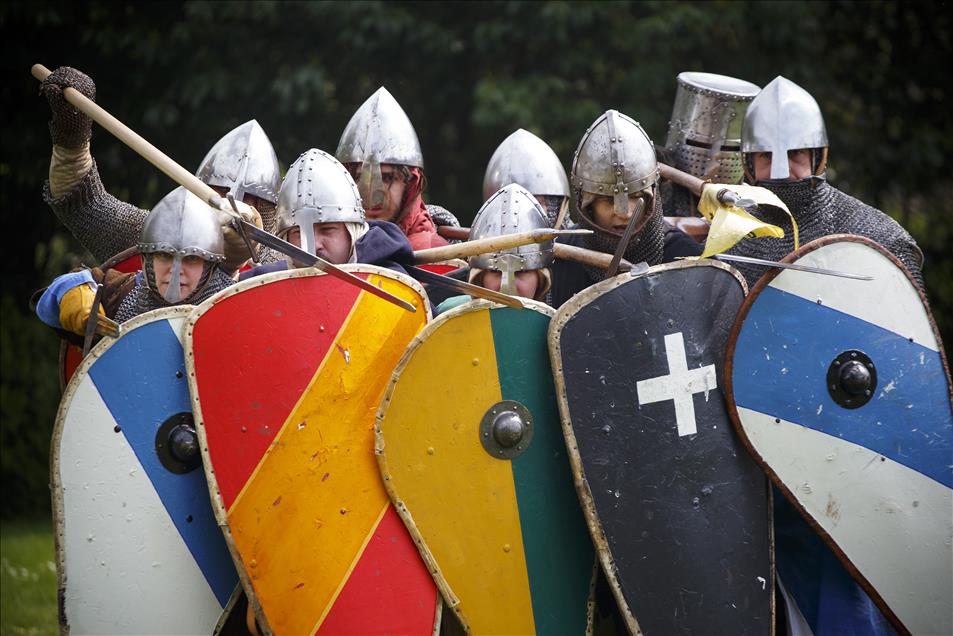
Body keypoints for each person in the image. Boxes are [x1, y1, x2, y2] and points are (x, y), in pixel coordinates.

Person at [39, 66, 276, 272]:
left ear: (269, 212)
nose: (236, 207)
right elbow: (83, 205)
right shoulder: (159, 235)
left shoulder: (282, 267)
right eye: (221, 193)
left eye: (252, 201)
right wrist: (72, 135)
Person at [726, 76, 924, 290]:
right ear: (749, 163)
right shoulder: (727, 240)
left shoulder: (879, 238)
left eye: (795, 154)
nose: (780, 172)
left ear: (818, 158)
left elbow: (905, 319)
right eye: (766, 155)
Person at [36, 186, 235, 339]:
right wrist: (69, 293)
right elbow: (48, 304)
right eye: (164, 256)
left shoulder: (232, 307)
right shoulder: (119, 294)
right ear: (147, 259)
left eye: (191, 258)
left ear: (210, 266)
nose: (176, 270)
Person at [550, 110, 702, 308]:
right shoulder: (563, 252)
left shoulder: (683, 256)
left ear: (651, 199)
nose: (625, 213)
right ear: (587, 205)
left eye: (636, 197)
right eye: (607, 200)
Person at [239, 148, 415, 280]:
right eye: (297, 232)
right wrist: (230, 265)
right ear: (285, 239)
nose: (313, 246)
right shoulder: (267, 283)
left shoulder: (391, 282)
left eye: (327, 229)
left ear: (353, 232)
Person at [335, 87, 458, 249]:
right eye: (359, 177)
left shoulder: (431, 251)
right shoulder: (328, 246)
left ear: (410, 186)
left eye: (387, 178)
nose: (372, 194)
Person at [434, 183, 554, 313]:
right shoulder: (450, 317)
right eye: (495, 272)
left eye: (522, 272)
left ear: (541, 280)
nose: (507, 289)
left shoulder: (557, 328)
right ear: (479, 278)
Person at [657, 72, 761, 218]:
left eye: (729, 149)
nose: (714, 161)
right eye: (698, 144)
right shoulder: (657, 193)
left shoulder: (749, 200)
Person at [482, 129, 570, 228]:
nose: (516, 216)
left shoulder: (579, 242)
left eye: (536, 204)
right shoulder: (477, 240)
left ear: (558, 207)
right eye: (506, 209)